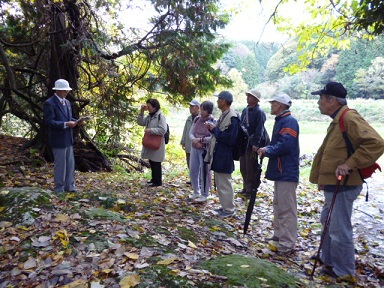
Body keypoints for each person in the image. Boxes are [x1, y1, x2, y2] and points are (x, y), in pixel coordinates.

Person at [309, 82, 384, 281]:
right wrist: (323, 178)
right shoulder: (338, 118)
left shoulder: (349, 117)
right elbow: (332, 153)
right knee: (327, 220)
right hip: (334, 184)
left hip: (345, 184)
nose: (318, 102)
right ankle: (329, 260)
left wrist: (349, 164)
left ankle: (344, 271)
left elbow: (376, 143)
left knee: (339, 227)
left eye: (321, 98)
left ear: (332, 100)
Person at [257, 93, 300, 253]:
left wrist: (267, 150)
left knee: (287, 208)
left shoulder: (289, 121)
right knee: (279, 205)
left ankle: (287, 243)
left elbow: (285, 145)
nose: (271, 105)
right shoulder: (282, 120)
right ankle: (278, 236)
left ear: (280, 105)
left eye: (273, 103)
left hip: (287, 171)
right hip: (281, 171)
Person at [43, 79, 83, 194]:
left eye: (67, 90)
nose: (66, 92)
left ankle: (70, 187)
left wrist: (77, 122)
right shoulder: (49, 103)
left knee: (70, 164)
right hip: (58, 139)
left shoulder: (67, 103)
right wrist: (66, 124)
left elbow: (68, 118)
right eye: (64, 90)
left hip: (68, 138)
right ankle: (59, 188)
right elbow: (49, 122)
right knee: (60, 165)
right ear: (58, 90)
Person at [205, 91, 240, 218]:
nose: (217, 101)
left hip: (225, 155)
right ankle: (225, 206)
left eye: (219, 99)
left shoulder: (232, 117)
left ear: (224, 101)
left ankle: (229, 209)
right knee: (220, 182)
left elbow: (231, 138)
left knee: (225, 182)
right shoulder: (224, 115)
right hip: (219, 154)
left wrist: (214, 129)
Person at [239, 89, 267, 197]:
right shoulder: (245, 110)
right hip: (244, 143)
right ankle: (245, 187)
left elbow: (259, 129)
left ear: (256, 99)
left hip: (252, 144)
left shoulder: (259, 112)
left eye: (250, 96)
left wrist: (256, 144)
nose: (247, 98)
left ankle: (250, 190)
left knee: (250, 167)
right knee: (243, 167)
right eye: (248, 96)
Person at [137, 99, 167, 187]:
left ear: (155, 107)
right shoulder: (149, 116)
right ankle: (154, 179)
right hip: (150, 142)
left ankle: (158, 181)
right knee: (152, 161)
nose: (148, 108)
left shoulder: (160, 116)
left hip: (157, 142)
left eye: (149, 107)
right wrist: (142, 112)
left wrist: (151, 130)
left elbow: (163, 130)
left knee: (157, 161)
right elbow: (140, 122)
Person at [189, 101, 215, 202]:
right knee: (193, 171)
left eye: (204, 109)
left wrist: (201, 140)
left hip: (205, 150)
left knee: (205, 172)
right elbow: (191, 132)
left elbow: (212, 137)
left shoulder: (212, 121)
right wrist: (194, 140)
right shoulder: (197, 119)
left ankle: (205, 193)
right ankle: (196, 191)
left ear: (209, 110)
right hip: (194, 147)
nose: (202, 111)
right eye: (201, 109)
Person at [180, 99, 201, 176]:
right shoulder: (189, 118)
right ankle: (192, 178)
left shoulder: (202, 118)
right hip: (189, 144)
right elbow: (185, 130)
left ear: (198, 107)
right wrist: (183, 141)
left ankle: (198, 180)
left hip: (198, 145)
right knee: (189, 162)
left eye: (192, 106)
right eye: (190, 106)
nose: (190, 108)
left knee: (197, 163)